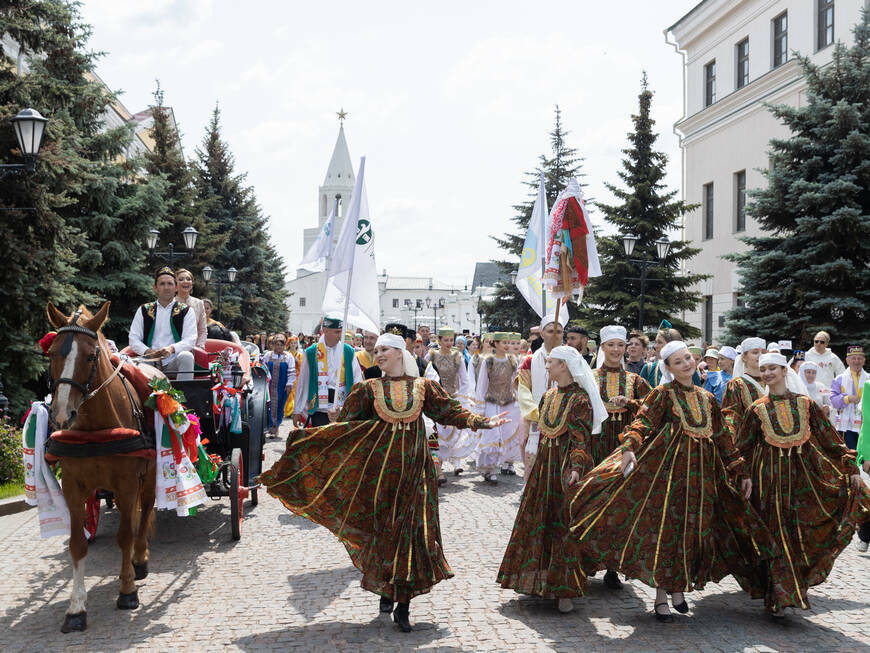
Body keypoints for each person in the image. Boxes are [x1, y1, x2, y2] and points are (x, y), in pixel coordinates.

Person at [259, 333, 509, 632]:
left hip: (416, 475)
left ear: (400, 353)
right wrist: (321, 433)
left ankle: (404, 603)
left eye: (384, 350)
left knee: (413, 534)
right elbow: (349, 431)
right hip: (380, 477)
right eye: (375, 350)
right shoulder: (367, 390)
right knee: (384, 533)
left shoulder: (424, 387)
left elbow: (449, 411)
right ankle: (386, 588)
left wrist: (482, 421)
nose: (378, 354)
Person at [569, 341, 773, 623]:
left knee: (690, 532)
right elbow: (643, 422)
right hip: (667, 476)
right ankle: (662, 597)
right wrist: (629, 446)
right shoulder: (662, 394)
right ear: (668, 368)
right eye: (678, 362)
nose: (686, 364)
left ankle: (679, 589)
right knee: (666, 532)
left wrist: (740, 470)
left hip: (700, 477)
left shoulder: (707, 398)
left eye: (688, 358)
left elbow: (722, 438)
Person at [733, 352, 869, 619]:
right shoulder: (757, 408)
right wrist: (742, 475)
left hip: (802, 482)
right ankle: (778, 597)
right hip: (767, 483)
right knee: (774, 535)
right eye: (764, 369)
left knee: (798, 535)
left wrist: (850, 468)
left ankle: (789, 591)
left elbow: (830, 440)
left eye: (773, 368)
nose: (769, 373)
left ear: (785, 371)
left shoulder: (806, 405)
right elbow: (743, 447)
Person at [497, 346, 604, 613]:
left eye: (551, 362)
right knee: (537, 520)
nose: (546, 367)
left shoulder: (580, 400)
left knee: (562, 525)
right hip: (545, 466)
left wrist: (576, 467)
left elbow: (581, 440)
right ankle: (540, 581)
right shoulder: (548, 395)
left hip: (564, 468)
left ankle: (564, 590)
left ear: (564, 366)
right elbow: (542, 432)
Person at [590, 325, 651, 589]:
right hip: (596, 444)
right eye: (610, 345)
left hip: (623, 446)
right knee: (593, 500)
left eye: (620, 345)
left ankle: (613, 566)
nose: (615, 350)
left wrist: (632, 403)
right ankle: (587, 558)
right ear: (602, 348)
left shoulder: (636, 381)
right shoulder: (589, 377)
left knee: (620, 504)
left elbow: (652, 408)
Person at [517, 313, 566, 482]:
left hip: (564, 420)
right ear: (542, 333)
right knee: (534, 463)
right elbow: (523, 391)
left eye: (559, 331)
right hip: (538, 421)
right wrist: (535, 413)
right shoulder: (530, 361)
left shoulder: (571, 360)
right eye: (550, 331)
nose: (555, 335)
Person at [425, 327, 477, 480]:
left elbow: (464, 379)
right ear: (439, 341)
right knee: (438, 432)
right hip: (436, 399)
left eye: (450, 340)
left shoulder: (457, 356)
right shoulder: (432, 355)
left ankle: (456, 462)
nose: (448, 343)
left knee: (455, 432)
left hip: (452, 397)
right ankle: (438, 466)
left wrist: (460, 396)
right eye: (445, 340)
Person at [292, 316, 363, 428]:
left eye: (341, 332)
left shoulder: (348, 351)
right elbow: (303, 382)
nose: (340, 336)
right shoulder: (311, 352)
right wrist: (297, 409)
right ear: (325, 330)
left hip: (342, 409)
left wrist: (356, 406)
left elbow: (358, 380)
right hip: (319, 408)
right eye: (337, 332)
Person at [129, 267, 197, 381]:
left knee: (187, 357)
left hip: (174, 361)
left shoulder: (186, 311)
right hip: (150, 361)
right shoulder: (144, 310)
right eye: (162, 284)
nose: (166, 287)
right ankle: (141, 398)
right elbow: (133, 339)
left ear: (176, 288)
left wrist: (171, 349)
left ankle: (183, 397)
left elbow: (190, 339)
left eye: (170, 284)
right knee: (133, 363)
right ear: (155, 288)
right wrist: (149, 352)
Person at [474, 332, 522, 483]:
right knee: (493, 436)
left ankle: (504, 463)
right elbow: (482, 385)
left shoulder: (513, 360)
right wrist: (480, 407)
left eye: (508, 342)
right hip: (492, 403)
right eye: (503, 342)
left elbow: (516, 383)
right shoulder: (488, 361)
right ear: (495, 344)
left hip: (509, 403)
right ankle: (490, 469)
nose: (507, 345)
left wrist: (519, 401)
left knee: (507, 434)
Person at [721, 337, 768, 439]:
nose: (760, 355)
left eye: (763, 352)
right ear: (744, 357)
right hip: (750, 442)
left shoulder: (774, 381)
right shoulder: (737, 384)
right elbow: (731, 415)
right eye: (755, 352)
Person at [831, 345, 867, 450]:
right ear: (847, 360)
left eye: (859, 358)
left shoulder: (869, 378)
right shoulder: (839, 379)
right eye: (853, 358)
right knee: (850, 454)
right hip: (846, 425)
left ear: (864, 360)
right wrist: (848, 399)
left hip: (865, 423)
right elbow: (833, 401)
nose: (856, 361)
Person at [262, 333, 294, 436]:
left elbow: (291, 372)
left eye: (281, 345)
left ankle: (276, 426)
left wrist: (289, 384)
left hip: (282, 386)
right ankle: (271, 427)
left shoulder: (288, 357)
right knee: (269, 406)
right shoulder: (268, 355)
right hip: (269, 387)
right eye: (277, 344)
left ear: (284, 346)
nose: (279, 347)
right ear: (273, 345)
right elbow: (263, 368)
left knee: (280, 407)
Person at [175, 268, 207, 348]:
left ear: (192, 284)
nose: (185, 281)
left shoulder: (199, 303)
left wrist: (200, 347)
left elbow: (202, 330)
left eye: (188, 279)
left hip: (194, 348)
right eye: (181, 279)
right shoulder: (169, 303)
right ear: (175, 285)